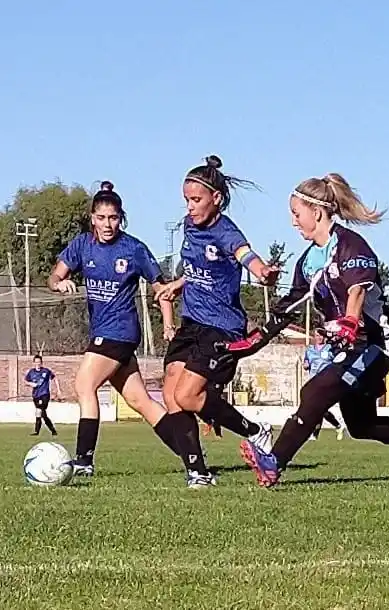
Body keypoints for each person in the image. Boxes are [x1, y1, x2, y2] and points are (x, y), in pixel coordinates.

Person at [222, 173, 389, 488]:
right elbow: (285, 310)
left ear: (316, 213)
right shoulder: (307, 262)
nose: (293, 222)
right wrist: (248, 344)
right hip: (348, 348)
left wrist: (350, 321)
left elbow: (357, 290)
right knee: (361, 425)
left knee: (315, 392)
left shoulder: (350, 245)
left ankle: (274, 462)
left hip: (374, 345)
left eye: (296, 213)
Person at [154, 156, 278, 488]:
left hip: (222, 327)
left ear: (216, 199)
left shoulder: (226, 231)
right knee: (171, 392)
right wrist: (176, 285)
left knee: (189, 396)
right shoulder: (190, 226)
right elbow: (196, 271)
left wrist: (261, 271)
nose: (190, 208)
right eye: (186, 200)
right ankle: (198, 471)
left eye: (196, 200)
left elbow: (244, 254)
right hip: (192, 322)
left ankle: (255, 431)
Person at [48, 181, 185, 478]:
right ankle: (191, 453)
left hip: (120, 332)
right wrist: (60, 283)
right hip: (104, 332)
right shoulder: (82, 245)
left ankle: (84, 461)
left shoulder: (133, 249)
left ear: (121, 218)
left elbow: (160, 288)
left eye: (113, 218)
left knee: (84, 385)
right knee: (141, 401)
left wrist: (169, 324)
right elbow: (54, 275)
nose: (107, 224)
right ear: (92, 217)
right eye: (101, 218)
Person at [304, 328, 346, 440]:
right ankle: (337, 425)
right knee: (319, 409)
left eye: (321, 335)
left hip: (326, 381)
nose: (319, 337)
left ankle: (315, 433)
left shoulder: (330, 348)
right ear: (314, 336)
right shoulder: (309, 350)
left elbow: (337, 361)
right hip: (313, 381)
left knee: (318, 407)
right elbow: (306, 362)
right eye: (317, 335)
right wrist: (305, 365)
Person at [24, 355, 61, 436]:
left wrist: (58, 390)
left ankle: (37, 431)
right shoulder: (31, 372)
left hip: (44, 395)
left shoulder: (46, 371)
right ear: (34, 363)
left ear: (41, 362)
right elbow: (26, 381)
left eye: (39, 362)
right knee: (42, 414)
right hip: (35, 395)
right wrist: (31, 384)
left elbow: (54, 378)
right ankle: (53, 431)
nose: (38, 364)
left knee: (39, 411)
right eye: (36, 362)